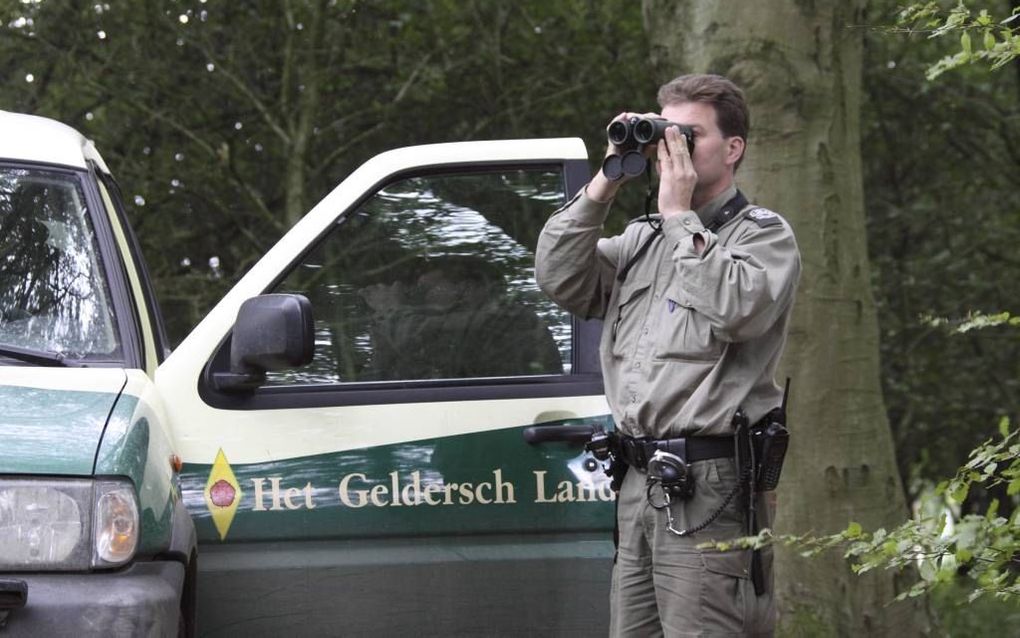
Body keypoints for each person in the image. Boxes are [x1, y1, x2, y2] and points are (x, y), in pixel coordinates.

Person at [535, 74, 801, 636]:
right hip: (638, 483)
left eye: (689, 136)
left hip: (709, 484)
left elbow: (736, 309)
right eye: (665, 134)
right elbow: (559, 276)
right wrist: (609, 177)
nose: (671, 148)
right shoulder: (642, 239)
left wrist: (680, 215)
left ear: (733, 149)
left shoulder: (764, 237)